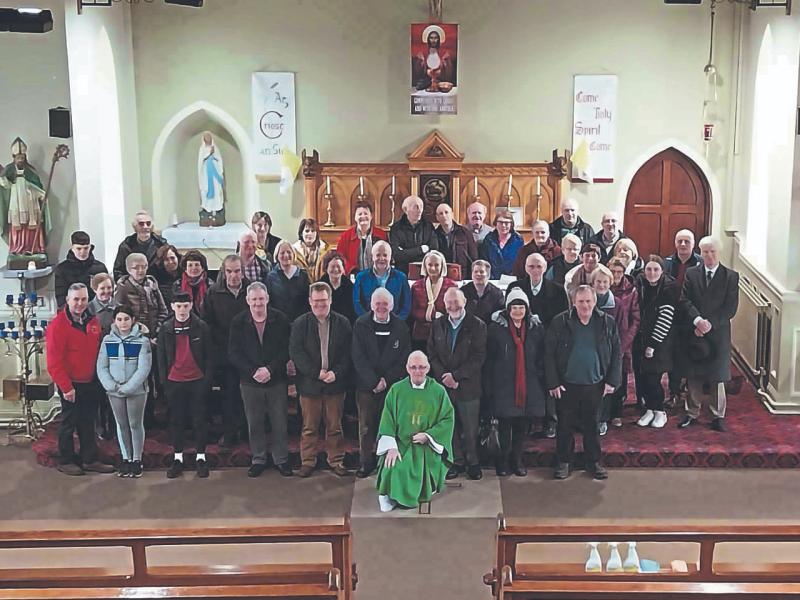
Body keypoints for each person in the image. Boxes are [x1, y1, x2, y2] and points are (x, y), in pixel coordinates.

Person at [545, 285, 621, 480]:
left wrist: (612, 380)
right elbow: (549, 354)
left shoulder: (607, 322)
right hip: (566, 385)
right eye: (581, 301)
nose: (585, 305)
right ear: (574, 302)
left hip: (596, 385)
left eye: (588, 301)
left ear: (595, 301)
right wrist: (553, 382)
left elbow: (616, 354)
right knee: (565, 425)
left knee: (592, 426)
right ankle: (564, 462)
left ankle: (593, 462)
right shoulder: (560, 321)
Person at [46, 283, 115, 476]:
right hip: (71, 384)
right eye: (76, 299)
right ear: (67, 300)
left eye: (84, 299)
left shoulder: (93, 321)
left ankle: (89, 458)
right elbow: (54, 362)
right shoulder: (57, 325)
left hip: (91, 381)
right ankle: (66, 459)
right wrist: (66, 388)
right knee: (68, 423)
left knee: (88, 422)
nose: (80, 303)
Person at [375, 351, 454, 512]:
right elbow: (387, 419)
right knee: (394, 465)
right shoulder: (396, 390)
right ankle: (388, 496)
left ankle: (411, 493)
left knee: (413, 469)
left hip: (426, 447)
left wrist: (428, 435)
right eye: (413, 367)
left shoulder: (438, 391)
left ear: (428, 368)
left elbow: (447, 419)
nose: (418, 371)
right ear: (407, 368)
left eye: (422, 367)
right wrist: (391, 446)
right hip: (400, 444)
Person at [228, 282, 293, 478]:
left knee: (279, 421)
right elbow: (233, 353)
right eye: (254, 299)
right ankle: (258, 458)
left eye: (261, 299)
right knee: (254, 422)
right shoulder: (238, 322)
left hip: (276, 380)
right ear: (248, 300)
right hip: (249, 381)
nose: (258, 303)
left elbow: (286, 349)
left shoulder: (280, 319)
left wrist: (270, 369)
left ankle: (281, 459)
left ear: (267, 299)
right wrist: (253, 371)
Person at [289, 282, 353, 478]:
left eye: (323, 301)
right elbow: (296, 353)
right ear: (309, 301)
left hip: (335, 383)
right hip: (310, 384)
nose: (320, 305)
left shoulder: (343, 323)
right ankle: (308, 461)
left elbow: (347, 354)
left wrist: (335, 373)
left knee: (335, 426)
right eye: (316, 301)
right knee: (309, 427)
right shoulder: (300, 324)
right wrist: (316, 373)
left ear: (330, 300)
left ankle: (336, 460)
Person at [679, 236, 739, 432]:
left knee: (717, 377)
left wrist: (709, 324)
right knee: (693, 376)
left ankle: (717, 415)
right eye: (705, 252)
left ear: (719, 253)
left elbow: (730, 308)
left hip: (718, 333)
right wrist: (697, 321)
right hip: (695, 331)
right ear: (700, 253)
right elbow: (685, 300)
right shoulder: (692, 273)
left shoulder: (730, 276)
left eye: (712, 251)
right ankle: (692, 412)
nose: (709, 255)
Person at [485, 288, 547, 476]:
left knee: (521, 428)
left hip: (529, 384)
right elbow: (489, 358)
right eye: (514, 307)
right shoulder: (495, 329)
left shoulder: (536, 328)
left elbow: (542, 354)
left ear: (527, 309)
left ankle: (517, 459)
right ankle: (502, 461)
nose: (518, 311)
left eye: (521, 307)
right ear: (507, 309)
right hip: (504, 385)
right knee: (504, 428)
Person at [427, 287, 486, 480]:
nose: (452, 305)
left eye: (456, 301)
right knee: (449, 427)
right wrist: (444, 375)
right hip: (443, 385)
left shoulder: (477, 325)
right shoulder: (438, 324)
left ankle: (473, 462)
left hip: (467, 385)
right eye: (448, 302)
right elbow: (432, 354)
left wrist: (457, 377)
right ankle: (455, 461)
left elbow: (479, 357)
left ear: (464, 302)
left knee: (470, 428)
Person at [351, 288, 411, 478]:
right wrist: (373, 381)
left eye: (385, 304)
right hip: (366, 386)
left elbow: (404, 359)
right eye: (378, 303)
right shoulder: (361, 325)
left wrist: (386, 380)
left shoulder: (401, 327)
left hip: (391, 386)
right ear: (371, 305)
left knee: (391, 426)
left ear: (392, 305)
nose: (381, 307)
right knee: (366, 427)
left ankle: (388, 463)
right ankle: (365, 463)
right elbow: (358, 357)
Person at [158, 291, 212, 479]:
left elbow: (209, 356)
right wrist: (165, 382)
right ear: (172, 307)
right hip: (174, 381)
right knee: (177, 421)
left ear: (191, 306)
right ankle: (178, 457)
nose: (182, 310)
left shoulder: (201, 327)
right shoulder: (165, 328)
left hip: (197, 380)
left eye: (185, 306)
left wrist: (207, 380)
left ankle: (201, 456)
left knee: (199, 420)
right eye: (178, 306)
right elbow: (162, 359)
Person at [96, 305, 152, 478]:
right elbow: (102, 366)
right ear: (114, 321)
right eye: (119, 319)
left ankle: (137, 459)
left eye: (126, 319)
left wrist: (128, 387)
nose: (123, 323)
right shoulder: (108, 341)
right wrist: (111, 385)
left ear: (133, 320)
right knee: (122, 425)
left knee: (135, 424)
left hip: (136, 391)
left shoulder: (142, 341)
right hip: (114, 390)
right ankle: (126, 458)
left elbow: (144, 368)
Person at [204, 254, 250, 448]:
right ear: (223, 271)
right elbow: (208, 324)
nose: (233, 276)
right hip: (225, 352)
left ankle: (248, 431)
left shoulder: (251, 290)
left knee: (249, 395)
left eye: (237, 271)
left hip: (249, 352)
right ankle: (230, 431)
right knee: (229, 395)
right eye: (229, 271)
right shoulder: (214, 293)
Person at [634, 256, 678, 429]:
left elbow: (665, 319)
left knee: (653, 378)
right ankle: (650, 409)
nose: (651, 273)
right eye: (648, 270)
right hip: (641, 339)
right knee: (642, 377)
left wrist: (652, 344)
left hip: (659, 342)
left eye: (656, 270)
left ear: (662, 271)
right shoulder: (641, 286)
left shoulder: (668, 289)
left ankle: (660, 411)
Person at [602, 258, 640, 430]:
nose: (616, 275)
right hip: (604, 342)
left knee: (619, 379)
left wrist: (624, 343)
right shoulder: (602, 287)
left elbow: (635, 320)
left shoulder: (631, 291)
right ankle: (604, 413)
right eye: (613, 271)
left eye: (619, 272)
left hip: (624, 341)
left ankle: (616, 413)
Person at [665, 229, 701, 405]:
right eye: (680, 241)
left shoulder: (700, 263)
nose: (683, 245)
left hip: (692, 316)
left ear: (693, 244)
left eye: (687, 241)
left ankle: (690, 394)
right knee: (673, 355)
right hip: (672, 316)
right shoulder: (668, 263)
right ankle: (673, 392)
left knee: (691, 355)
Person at [1, 138, 46, 255]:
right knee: (17, 225)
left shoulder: (31, 170)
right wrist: (2, 177)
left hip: (30, 200)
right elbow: (6, 186)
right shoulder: (9, 169)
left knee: (32, 224)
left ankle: (33, 248)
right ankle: (17, 248)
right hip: (15, 200)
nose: (20, 160)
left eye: (22, 157)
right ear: (14, 157)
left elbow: (37, 186)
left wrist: (42, 195)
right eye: (18, 157)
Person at [114, 253, 168, 341]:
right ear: (128, 269)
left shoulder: (152, 283)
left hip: (155, 334)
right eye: (136, 268)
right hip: (133, 336)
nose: (141, 270)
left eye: (144, 267)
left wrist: (158, 331)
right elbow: (120, 315)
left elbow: (163, 310)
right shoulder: (123, 287)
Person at [353, 241, 412, 320]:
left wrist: (397, 322)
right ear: (372, 257)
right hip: (368, 324)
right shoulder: (361, 277)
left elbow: (406, 305)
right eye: (378, 255)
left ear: (390, 257)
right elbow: (357, 303)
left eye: (385, 255)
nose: (381, 258)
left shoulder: (401, 278)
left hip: (395, 325)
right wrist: (367, 321)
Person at [507, 253, 569, 328]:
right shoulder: (514, 287)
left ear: (545, 267)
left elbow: (561, 319)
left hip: (548, 333)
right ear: (526, 268)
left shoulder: (559, 291)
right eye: (531, 267)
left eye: (539, 266)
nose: (535, 270)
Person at [410, 250, 457, 346]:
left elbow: (454, 310)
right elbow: (413, 310)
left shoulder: (452, 286)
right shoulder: (416, 286)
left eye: (436, 265)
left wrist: (442, 317)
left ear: (442, 266)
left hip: (444, 332)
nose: (433, 268)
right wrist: (432, 315)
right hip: (421, 333)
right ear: (425, 267)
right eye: (430, 265)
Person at [54, 231, 108, 308]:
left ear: (90, 247)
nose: (82, 252)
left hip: (97, 312)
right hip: (72, 312)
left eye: (86, 248)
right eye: (79, 249)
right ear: (72, 248)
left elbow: (107, 294)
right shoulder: (62, 269)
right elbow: (61, 299)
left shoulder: (100, 268)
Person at [388, 195, 438, 274]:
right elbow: (397, 255)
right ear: (405, 210)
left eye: (421, 206)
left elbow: (434, 251)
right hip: (403, 272)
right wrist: (421, 250)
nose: (419, 210)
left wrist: (406, 252)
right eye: (415, 207)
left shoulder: (428, 226)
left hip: (425, 272)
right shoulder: (396, 228)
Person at [334, 201, 388, 275]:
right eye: (360, 214)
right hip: (353, 276)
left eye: (366, 213)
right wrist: (352, 270)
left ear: (371, 216)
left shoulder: (381, 235)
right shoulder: (346, 236)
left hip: (377, 275)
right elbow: (340, 257)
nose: (363, 216)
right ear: (355, 217)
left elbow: (387, 256)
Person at [112, 210, 166, 280]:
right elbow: (118, 272)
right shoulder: (126, 246)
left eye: (148, 223)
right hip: (132, 286)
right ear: (135, 227)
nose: (145, 227)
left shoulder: (161, 244)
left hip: (158, 285)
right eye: (141, 224)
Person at [266, 240, 311, 322]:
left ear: (294, 254)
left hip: (300, 322)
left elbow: (307, 301)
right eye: (282, 253)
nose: (286, 255)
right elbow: (269, 302)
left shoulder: (303, 275)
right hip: (278, 322)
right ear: (277, 256)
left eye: (289, 252)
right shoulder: (271, 277)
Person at [434, 202, 477, 278]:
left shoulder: (465, 233)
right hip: (442, 276)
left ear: (452, 214)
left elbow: (474, 257)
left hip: (463, 276)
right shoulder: (434, 234)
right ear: (437, 217)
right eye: (441, 214)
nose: (444, 216)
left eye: (446, 212)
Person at [480, 210, 524, 279]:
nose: (503, 225)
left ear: (511, 225)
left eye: (506, 223)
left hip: (511, 279)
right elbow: (484, 261)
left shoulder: (518, 240)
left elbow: (520, 263)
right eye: (500, 222)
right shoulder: (488, 239)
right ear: (496, 223)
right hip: (491, 279)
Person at [461, 259, 504, 324]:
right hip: (467, 328)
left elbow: (500, 314)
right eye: (475, 271)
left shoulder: (497, 294)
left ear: (488, 275)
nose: (478, 274)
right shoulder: (463, 291)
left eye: (481, 272)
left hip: (489, 328)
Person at [197, 132, 225, 226]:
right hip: (206, 174)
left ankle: (216, 211)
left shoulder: (215, 148)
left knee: (217, 191)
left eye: (209, 137)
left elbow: (219, 160)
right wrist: (209, 153)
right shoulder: (202, 149)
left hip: (215, 174)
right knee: (206, 191)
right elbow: (201, 161)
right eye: (206, 137)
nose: (207, 138)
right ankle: (208, 210)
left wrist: (214, 155)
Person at [319, 251, 356, 322]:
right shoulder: (320, 287)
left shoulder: (350, 287)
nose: (336, 269)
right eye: (332, 267)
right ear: (326, 268)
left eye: (338, 266)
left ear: (343, 269)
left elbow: (353, 312)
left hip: (346, 325)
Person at [175, 250, 213, 317]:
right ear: (185, 269)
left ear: (203, 268)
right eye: (190, 265)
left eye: (197, 265)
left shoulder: (210, 285)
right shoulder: (177, 285)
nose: (194, 268)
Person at [292, 218, 328, 282]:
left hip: (321, 286)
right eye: (307, 231)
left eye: (313, 231)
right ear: (301, 233)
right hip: (301, 286)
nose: (310, 234)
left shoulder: (325, 250)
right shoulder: (293, 251)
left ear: (316, 233)